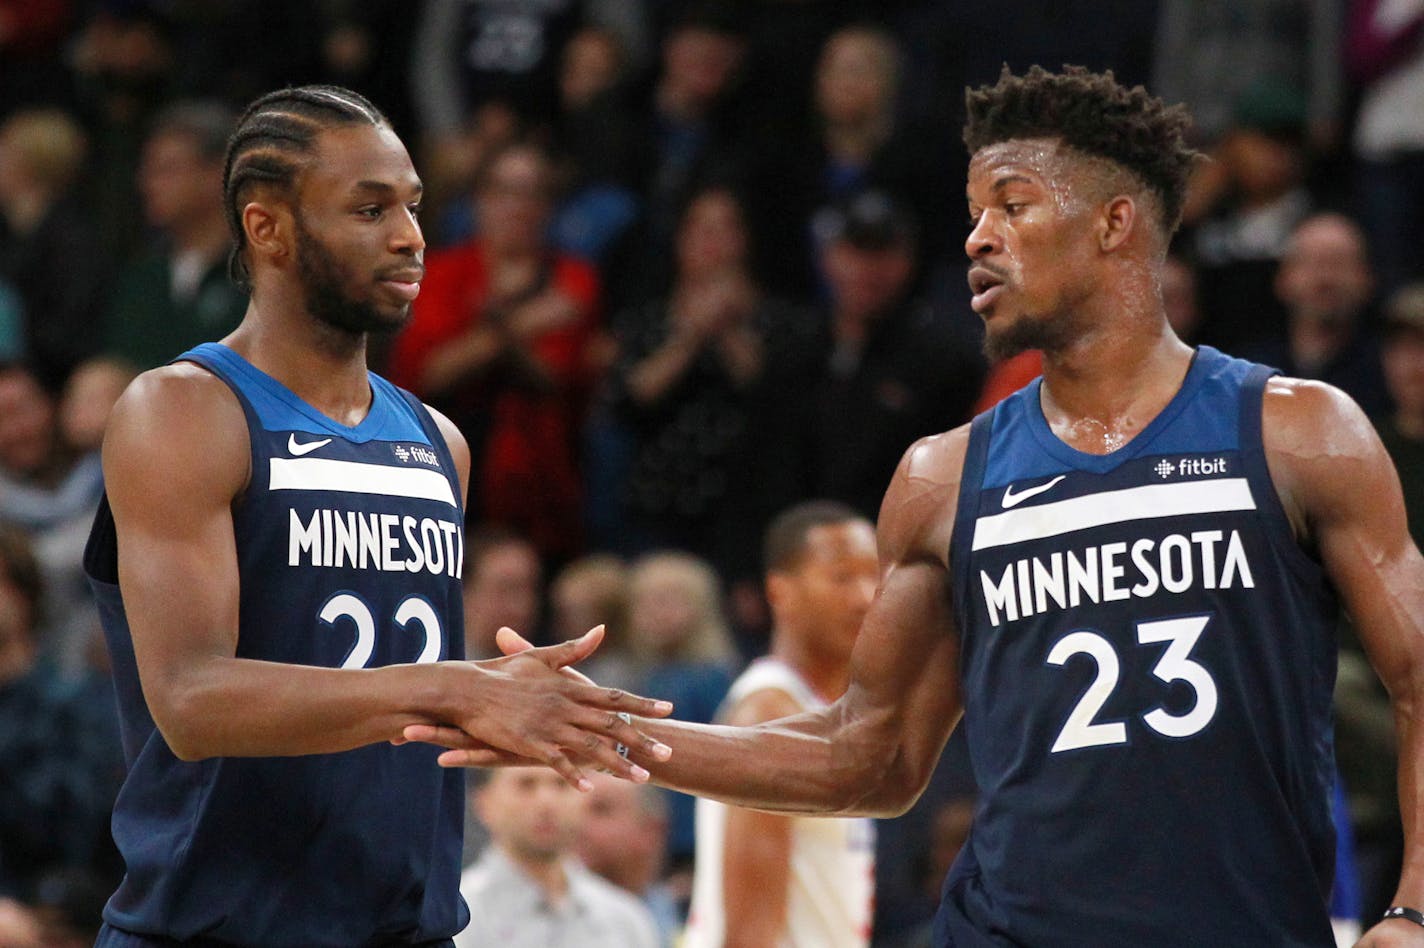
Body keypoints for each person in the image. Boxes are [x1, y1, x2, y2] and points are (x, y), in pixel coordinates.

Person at [419, 66, 1424, 945]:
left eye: (1011, 205)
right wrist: (595, 733)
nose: (976, 237)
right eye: (972, 211)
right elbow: (871, 752)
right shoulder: (945, 475)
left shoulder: (1293, 432)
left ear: (1114, 222)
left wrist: (1412, 907)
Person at [81, 84, 670, 948]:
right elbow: (191, 699)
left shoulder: (440, 441)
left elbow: (390, 686)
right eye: (370, 209)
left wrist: (514, 706)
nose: (412, 236)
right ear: (266, 228)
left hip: (404, 926)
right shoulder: (183, 410)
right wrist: (454, 686)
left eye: (414, 206)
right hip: (215, 926)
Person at [682, 501, 877, 948]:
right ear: (780, 591)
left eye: (874, 575)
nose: (864, 596)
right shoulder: (772, 716)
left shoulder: (823, 710)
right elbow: (749, 933)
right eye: (842, 576)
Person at [456, 768, 659, 948]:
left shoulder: (625, 920)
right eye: (526, 784)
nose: (547, 802)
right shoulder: (459, 916)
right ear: (483, 801)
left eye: (561, 784)